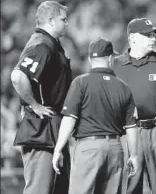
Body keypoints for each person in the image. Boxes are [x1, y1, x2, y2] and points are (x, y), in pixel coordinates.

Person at [52, 38, 139, 194]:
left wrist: (58, 148)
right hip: (115, 148)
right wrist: (134, 155)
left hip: (88, 148)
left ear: (91, 59)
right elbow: (132, 127)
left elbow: (69, 119)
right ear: (111, 58)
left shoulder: (80, 83)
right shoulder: (123, 87)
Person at [10, 0, 71, 194]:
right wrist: (35, 105)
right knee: (39, 189)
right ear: (51, 21)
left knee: (56, 188)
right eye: (63, 19)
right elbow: (18, 76)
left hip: (50, 126)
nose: (67, 23)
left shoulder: (50, 43)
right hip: (41, 128)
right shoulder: (43, 44)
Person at [113, 18, 156, 194]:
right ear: (132, 38)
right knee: (129, 185)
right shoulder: (115, 64)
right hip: (127, 132)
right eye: (147, 35)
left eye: (153, 34)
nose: (153, 38)